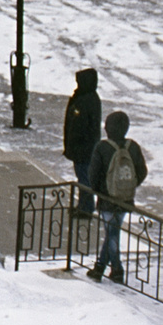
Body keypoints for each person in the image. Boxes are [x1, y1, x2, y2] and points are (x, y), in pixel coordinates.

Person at [85, 110, 146, 283]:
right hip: (125, 199)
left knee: (112, 234)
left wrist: (101, 190)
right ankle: (100, 267)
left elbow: (93, 174)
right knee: (113, 231)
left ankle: (117, 269)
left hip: (107, 199)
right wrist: (129, 186)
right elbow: (142, 171)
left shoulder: (102, 147)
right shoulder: (132, 147)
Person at [63, 68, 103, 220]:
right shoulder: (87, 97)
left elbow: (80, 124)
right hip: (83, 146)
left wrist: (75, 142)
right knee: (83, 177)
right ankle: (84, 206)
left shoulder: (86, 99)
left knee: (84, 178)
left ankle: (86, 208)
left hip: (83, 147)